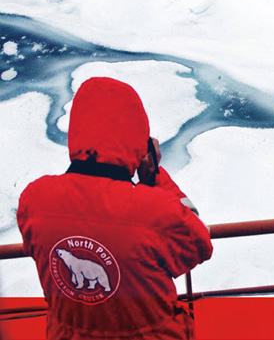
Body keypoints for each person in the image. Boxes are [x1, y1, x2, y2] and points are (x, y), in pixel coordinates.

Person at [17, 77, 213, 340]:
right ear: (136, 139)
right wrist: (154, 176)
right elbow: (198, 243)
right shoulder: (155, 210)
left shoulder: (35, 199)